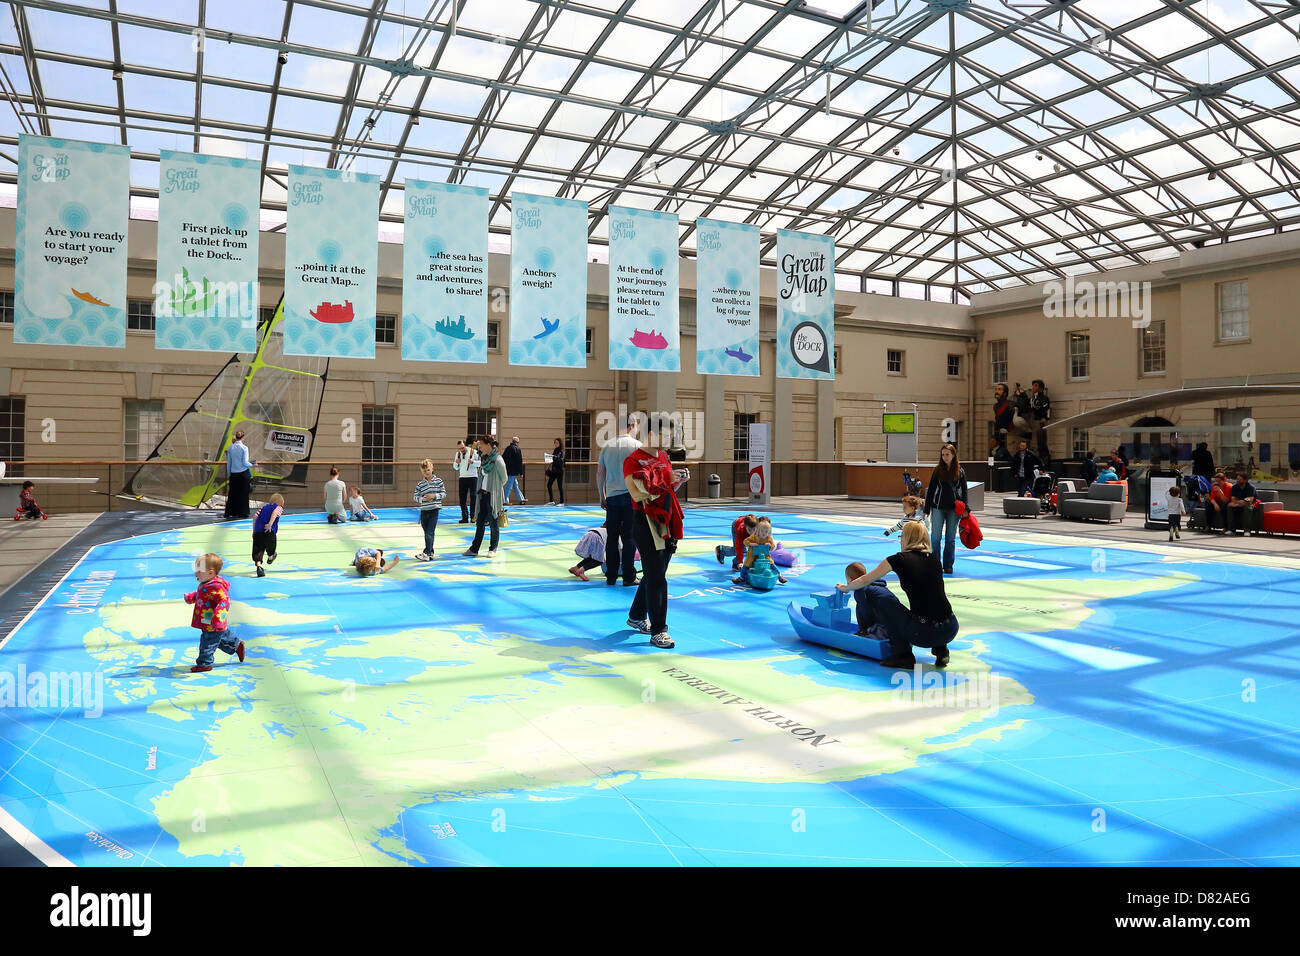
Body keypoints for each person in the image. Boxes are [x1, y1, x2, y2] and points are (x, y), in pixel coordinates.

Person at [836, 521, 958, 669]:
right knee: (933, 603)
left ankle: (903, 656)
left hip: (923, 633)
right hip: (951, 628)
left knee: (882, 600)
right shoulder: (934, 559)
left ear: (906, 538)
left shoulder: (897, 559)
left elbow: (865, 580)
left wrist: (846, 588)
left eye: (901, 536)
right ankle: (941, 651)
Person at [624, 447, 688, 649]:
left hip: (664, 518)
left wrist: (676, 481)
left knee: (656, 571)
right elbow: (637, 493)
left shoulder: (662, 456)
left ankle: (636, 615)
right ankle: (659, 630)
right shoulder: (633, 460)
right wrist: (667, 478)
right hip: (645, 519)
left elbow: (666, 489)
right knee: (657, 576)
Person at [597, 414, 643, 587]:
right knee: (630, 537)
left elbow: (600, 473)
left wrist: (602, 496)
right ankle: (629, 576)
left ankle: (611, 575)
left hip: (612, 497)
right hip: (631, 497)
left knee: (612, 538)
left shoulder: (607, 446)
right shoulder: (637, 446)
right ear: (632, 426)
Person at [184, 553, 244, 673]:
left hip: (213, 621)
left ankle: (205, 664)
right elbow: (203, 596)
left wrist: (218, 618)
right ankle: (236, 644)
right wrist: (192, 597)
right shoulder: (206, 583)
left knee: (207, 643)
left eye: (199, 571)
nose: (196, 573)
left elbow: (224, 601)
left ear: (210, 573)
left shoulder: (217, 587)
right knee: (220, 638)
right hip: (207, 620)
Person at [923, 443, 967, 575]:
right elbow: (931, 490)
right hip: (938, 508)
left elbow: (964, 491)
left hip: (954, 509)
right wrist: (927, 508)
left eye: (947, 454)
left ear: (953, 455)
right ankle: (935, 564)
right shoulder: (937, 470)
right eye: (943, 455)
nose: (945, 457)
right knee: (935, 538)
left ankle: (948, 565)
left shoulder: (960, 471)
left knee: (950, 538)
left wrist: (966, 508)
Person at [464, 436, 507, 557]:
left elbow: (504, 478)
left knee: (493, 522)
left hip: (492, 495)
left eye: (481, 445)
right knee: (480, 522)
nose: (480, 448)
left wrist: (495, 489)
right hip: (482, 494)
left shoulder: (498, 460)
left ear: (488, 445)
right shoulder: (484, 459)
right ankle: (474, 549)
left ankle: (493, 548)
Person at [733, 515, 787, 587]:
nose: (764, 533)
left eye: (766, 531)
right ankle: (741, 578)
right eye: (762, 531)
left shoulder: (768, 538)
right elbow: (745, 541)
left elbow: (772, 547)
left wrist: (770, 546)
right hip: (752, 556)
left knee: (772, 565)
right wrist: (751, 544)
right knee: (745, 566)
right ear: (758, 530)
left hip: (765, 557)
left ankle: (780, 576)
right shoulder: (754, 536)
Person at [843, 561, 892, 637]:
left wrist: (864, 630)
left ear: (850, 580)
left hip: (883, 627)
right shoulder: (877, 585)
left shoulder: (860, 591)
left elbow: (863, 611)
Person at [413, 458, 446, 561]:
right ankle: (430, 552)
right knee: (427, 532)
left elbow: (444, 493)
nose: (426, 472)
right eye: (424, 471)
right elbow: (415, 496)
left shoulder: (438, 481)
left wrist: (434, 496)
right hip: (424, 512)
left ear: (432, 469)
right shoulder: (420, 484)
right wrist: (422, 499)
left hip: (434, 511)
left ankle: (426, 553)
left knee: (429, 532)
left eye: (428, 470)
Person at [224, 430, 255, 520]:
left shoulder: (230, 448)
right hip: (243, 474)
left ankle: (230, 512)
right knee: (244, 494)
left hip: (234, 474)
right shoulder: (244, 448)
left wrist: (229, 473)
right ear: (243, 437)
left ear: (235, 437)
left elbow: (229, 462)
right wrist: (252, 464)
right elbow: (245, 462)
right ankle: (243, 512)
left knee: (232, 494)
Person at [251, 493, 284, 578]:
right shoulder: (279, 507)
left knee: (258, 550)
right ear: (280, 503)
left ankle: (259, 566)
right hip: (269, 531)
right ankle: (270, 556)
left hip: (258, 532)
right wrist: (270, 524)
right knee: (271, 546)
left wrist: (254, 530)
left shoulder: (263, 507)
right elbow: (275, 513)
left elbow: (255, 517)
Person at [453, 439, 480, 524]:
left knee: (474, 498)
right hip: (462, 477)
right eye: (459, 448)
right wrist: (456, 463)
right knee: (462, 499)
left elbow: (480, 463)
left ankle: (473, 517)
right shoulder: (457, 454)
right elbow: (455, 467)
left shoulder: (474, 452)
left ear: (466, 445)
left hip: (473, 477)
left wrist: (473, 462)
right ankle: (464, 517)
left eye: (462, 448)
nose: (461, 450)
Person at [1029, 379, 1051, 461]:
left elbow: (1043, 408)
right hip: (1035, 421)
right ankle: (1039, 456)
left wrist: (1036, 406)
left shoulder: (1045, 398)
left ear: (1041, 388)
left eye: (1035, 385)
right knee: (1037, 441)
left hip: (1042, 421)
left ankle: (1045, 456)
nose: (1033, 387)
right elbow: (1031, 409)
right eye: (1033, 385)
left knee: (1042, 440)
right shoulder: (1033, 398)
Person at [502, 436, 527, 505]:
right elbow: (519, 461)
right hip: (514, 471)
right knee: (509, 486)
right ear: (517, 442)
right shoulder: (517, 449)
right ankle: (504, 500)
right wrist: (521, 472)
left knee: (515, 485)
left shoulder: (507, 448)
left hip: (508, 470)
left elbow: (503, 458)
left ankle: (521, 499)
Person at [992, 384, 1015, 451]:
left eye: (999, 389)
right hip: (1000, 433)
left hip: (1009, 433)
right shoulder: (995, 406)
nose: (996, 391)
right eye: (996, 389)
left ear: (1005, 393)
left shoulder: (1010, 404)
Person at [546, 438, 566, 506]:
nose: (555, 444)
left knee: (560, 486)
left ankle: (562, 502)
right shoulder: (555, 450)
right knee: (549, 485)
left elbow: (561, 460)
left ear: (560, 443)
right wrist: (549, 458)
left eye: (557, 443)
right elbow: (554, 459)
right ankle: (551, 501)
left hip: (559, 471)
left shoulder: (561, 451)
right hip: (554, 471)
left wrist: (554, 457)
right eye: (555, 443)